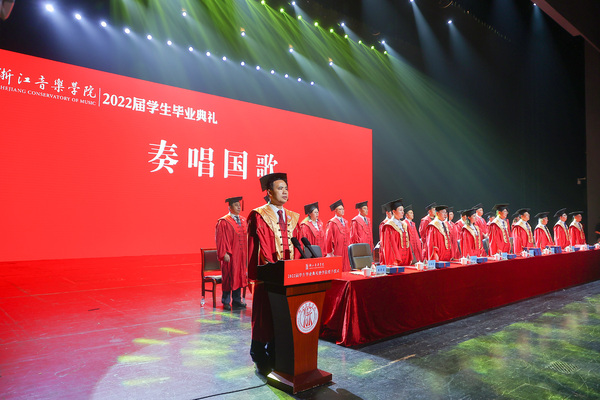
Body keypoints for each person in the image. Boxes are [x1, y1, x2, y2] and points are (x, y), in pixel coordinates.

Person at [247, 172, 301, 375]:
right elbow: (255, 248)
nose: (285, 191)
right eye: (280, 188)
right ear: (269, 192)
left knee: (282, 318)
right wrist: (258, 275)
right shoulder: (259, 215)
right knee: (264, 318)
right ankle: (259, 356)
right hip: (268, 277)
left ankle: (277, 354)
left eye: (286, 188)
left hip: (289, 277)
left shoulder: (293, 217)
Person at [215, 196, 248, 311]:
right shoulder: (224, 222)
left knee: (239, 276)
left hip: (241, 255)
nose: (238, 207)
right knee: (229, 277)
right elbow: (220, 239)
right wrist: (224, 253)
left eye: (239, 205)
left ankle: (237, 301)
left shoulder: (243, 220)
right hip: (230, 255)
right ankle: (226, 301)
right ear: (229, 207)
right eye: (236, 205)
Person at [381, 199, 412, 266]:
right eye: (400, 210)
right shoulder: (389, 226)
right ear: (394, 211)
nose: (403, 212)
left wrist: (409, 256)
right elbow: (390, 245)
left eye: (403, 210)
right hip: (396, 261)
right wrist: (395, 259)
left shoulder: (404, 224)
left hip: (405, 260)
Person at [325, 199, 351, 271]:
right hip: (337, 248)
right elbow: (329, 238)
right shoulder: (332, 222)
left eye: (343, 209)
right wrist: (330, 251)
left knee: (346, 264)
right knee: (339, 265)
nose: (342, 211)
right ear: (335, 211)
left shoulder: (345, 222)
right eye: (340, 209)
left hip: (345, 247)